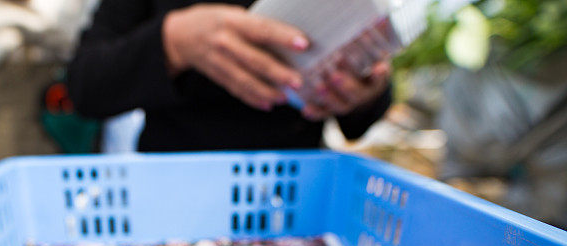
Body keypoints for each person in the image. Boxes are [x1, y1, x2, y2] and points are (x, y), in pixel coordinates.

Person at [67, 1, 392, 152]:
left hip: (292, 191)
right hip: (169, 186)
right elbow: (86, 85)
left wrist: (364, 89)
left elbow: (359, 122)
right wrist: (172, 40)